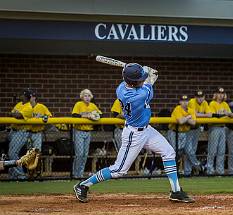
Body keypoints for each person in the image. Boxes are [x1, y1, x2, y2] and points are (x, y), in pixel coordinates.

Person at [74, 63, 194, 203]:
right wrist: (150, 76)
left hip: (146, 130)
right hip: (134, 134)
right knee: (118, 170)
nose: (142, 80)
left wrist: (140, 71)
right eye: (140, 79)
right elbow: (148, 85)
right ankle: (82, 185)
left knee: (169, 152)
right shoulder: (138, 96)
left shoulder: (121, 87)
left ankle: (176, 191)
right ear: (134, 82)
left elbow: (136, 79)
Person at [71, 89, 102, 178]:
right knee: (79, 154)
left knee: (85, 155)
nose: (87, 97)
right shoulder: (79, 104)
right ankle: (74, 174)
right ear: (82, 97)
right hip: (79, 131)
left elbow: (100, 114)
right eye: (85, 95)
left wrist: (94, 116)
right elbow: (74, 115)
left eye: (89, 96)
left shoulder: (93, 106)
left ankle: (80, 174)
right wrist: (87, 116)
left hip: (88, 132)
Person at [167, 95, 201, 177]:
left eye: (186, 101)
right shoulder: (177, 109)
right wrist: (188, 117)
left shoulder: (191, 110)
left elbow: (193, 123)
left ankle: (198, 167)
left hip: (185, 133)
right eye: (183, 101)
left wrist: (186, 118)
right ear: (180, 102)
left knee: (189, 151)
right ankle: (173, 171)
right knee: (175, 151)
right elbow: (180, 121)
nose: (185, 103)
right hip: (174, 132)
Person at [7, 89, 35, 179]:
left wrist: (16, 113)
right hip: (13, 131)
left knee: (13, 153)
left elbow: (18, 115)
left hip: (22, 132)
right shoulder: (19, 104)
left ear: (27, 97)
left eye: (22, 95)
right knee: (10, 153)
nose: (21, 96)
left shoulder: (28, 107)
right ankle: (13, 175)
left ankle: (21, 175)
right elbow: (11, 114)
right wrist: (15, 113)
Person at [206, 87, 233, 175]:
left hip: (223, 128)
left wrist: (229, 114)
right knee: (212, 150)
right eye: (219, 93)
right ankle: (209, 170)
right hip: (214, 128)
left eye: (222, 93)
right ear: (215, 94)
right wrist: (224, 114)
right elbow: (212, 115)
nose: (221, 95)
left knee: (221, 151)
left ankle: (220, 171)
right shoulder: (212, 103)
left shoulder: (225, 104)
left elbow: (230, 114)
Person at [187, 90, 212, 173]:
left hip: (197, 128)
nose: (200, 98)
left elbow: (209, 115)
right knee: (189, 150)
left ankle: (189, 171)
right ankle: (198, 166)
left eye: (201, 97)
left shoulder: (205, 103)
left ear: (204, 97)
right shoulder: (191, 102)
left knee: (192, 150)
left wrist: (200, 115)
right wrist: (204, 115)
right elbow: (194, 115)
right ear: (195, 97)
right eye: (198, 97)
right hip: (187, 129)